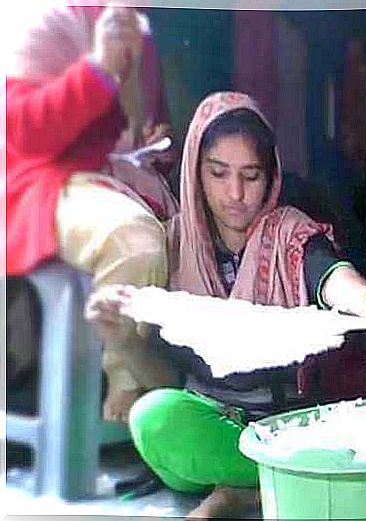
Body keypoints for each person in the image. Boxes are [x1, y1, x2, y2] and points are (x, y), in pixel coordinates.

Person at [86, 92, 366, 519]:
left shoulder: (288, 232)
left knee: (349, 432)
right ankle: (275, 483)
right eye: (219, 174)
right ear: (196, 174)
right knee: (154, 417)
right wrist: (119, 340)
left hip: (288, 429)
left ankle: (245, 488)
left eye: (251, 176)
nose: (235, 194)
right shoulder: (170, 247)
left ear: (271, 178)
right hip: (210, 425)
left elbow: (330, 277)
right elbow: (164, 377)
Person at [5, 3, 178, 422]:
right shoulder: (46, 18)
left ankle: (174, 410)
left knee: (192, 239)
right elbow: (21, 131)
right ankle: (128, 387)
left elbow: (148, 124)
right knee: (133, 241)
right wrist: (98, 69)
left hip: (123, 178)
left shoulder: (140, 27)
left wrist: (158, 140)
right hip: (37, 184)